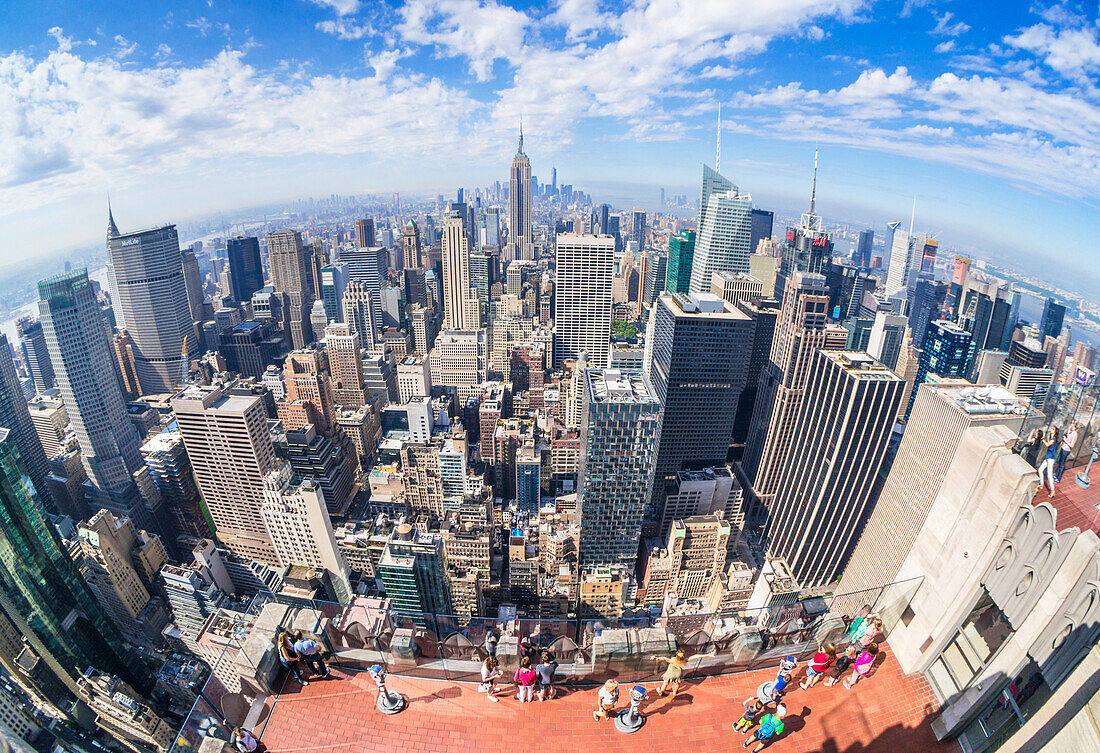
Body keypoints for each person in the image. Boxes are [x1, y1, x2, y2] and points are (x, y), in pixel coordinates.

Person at [1037, 427, 1059, 497]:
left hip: (1050, 459)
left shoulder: (1054, 439)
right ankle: (1041, 483)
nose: (1051, 430)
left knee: (1049, 475)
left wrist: (1043, 439)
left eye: (1053, 429)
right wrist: (1048, 437)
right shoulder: (1052, 439)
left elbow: (1047, 444)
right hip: (1048, 457)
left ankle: (1052, 490)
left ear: (1055, 432)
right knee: (1040, 470)